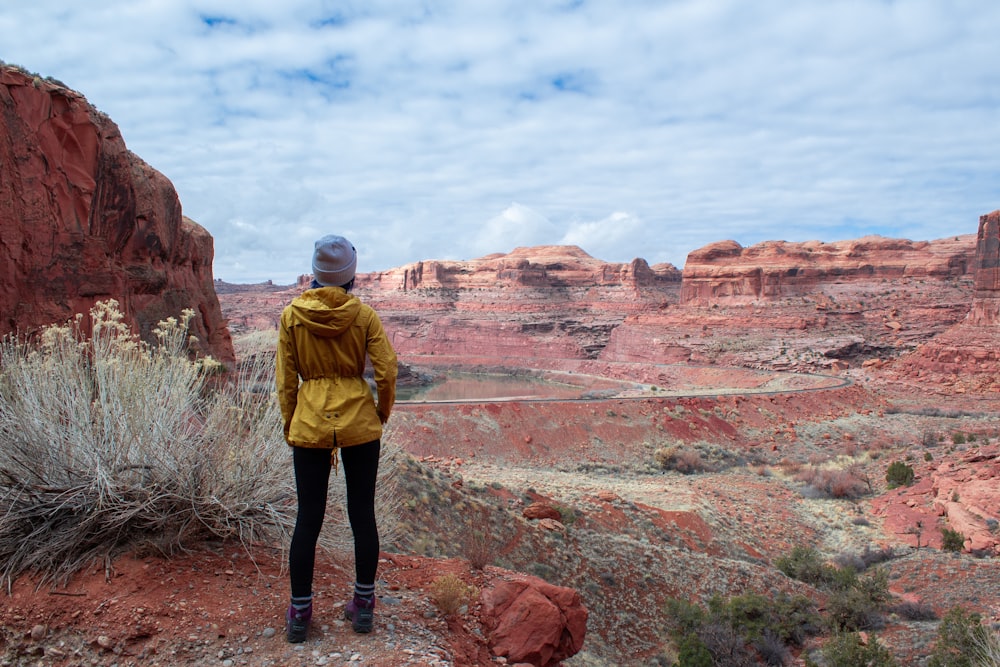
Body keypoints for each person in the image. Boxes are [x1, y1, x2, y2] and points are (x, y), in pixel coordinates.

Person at [276, 234, 398, 643]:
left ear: (315, 273)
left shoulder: (292, 316)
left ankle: (299, 613)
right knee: (361, 513)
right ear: (350, 277)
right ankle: (363, 606)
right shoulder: (364, 317)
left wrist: (292, 422)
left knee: (307, 518)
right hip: (360, 422)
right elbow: (387, 371)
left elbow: (285, 380)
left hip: (309, 422)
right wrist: (379, 412)